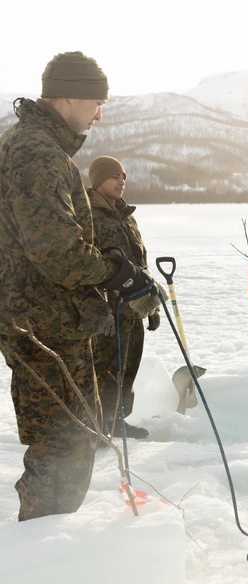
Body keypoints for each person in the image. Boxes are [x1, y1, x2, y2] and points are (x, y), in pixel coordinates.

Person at [0, 52, 160, 521]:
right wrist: (118, 274)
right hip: (45, 325)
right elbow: (55, 250)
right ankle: (43, 567)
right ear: (68, 95)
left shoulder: (30, 145)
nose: (99, 113)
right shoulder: (37, 152)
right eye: (96, 101)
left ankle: (44, 561)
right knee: (64, 450)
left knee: (63, 444)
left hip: (45, 319)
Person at [88, 156, 160, 440]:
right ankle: (99, 427)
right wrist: (97, 307)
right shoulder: (88, 215)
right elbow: (86, 263)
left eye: (124, 177)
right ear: (98, 180)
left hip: (133, 307)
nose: (121, 182)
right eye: (114, 176)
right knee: (106, 368)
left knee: (128, 367)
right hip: (108, 309)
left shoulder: (127, 217)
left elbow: (140, 260)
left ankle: (117, 421)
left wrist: (150, 305)